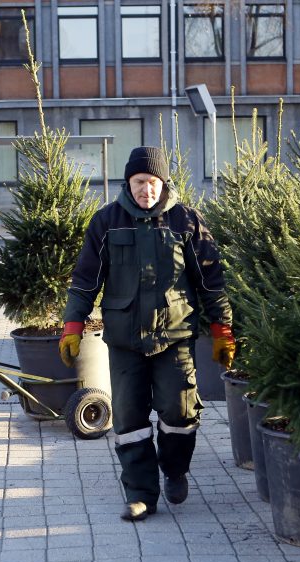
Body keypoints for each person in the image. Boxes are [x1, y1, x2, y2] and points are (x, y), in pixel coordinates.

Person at [59, 146, 235, 522]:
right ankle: (140, 493)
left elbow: (211, 280)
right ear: (129, 182)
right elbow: (85, 280)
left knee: (180, 410)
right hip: (124, 341)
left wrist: (222, 328)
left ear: (163, 183)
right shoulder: (106, 221)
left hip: (175, 337)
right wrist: (73, 324)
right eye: (140, 182)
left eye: (153, 182)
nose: (147, 190)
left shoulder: (186, 221)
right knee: (128, 418)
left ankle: (174, 470)